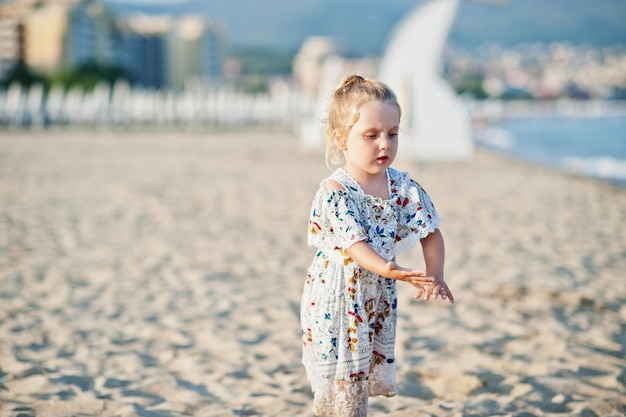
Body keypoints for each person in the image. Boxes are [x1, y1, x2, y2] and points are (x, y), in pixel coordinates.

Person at [300, 74, 455, 417]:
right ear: (341, 139)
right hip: (339, 297)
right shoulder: (336, 191)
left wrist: (436, 273)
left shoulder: (401, 186)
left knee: (362, 378)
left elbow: (430, 231)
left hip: (377, 297)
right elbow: (354, 244)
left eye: (392, 134)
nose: (384, 144)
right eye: (371, 136)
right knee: (347, 384)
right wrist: (388, 268)